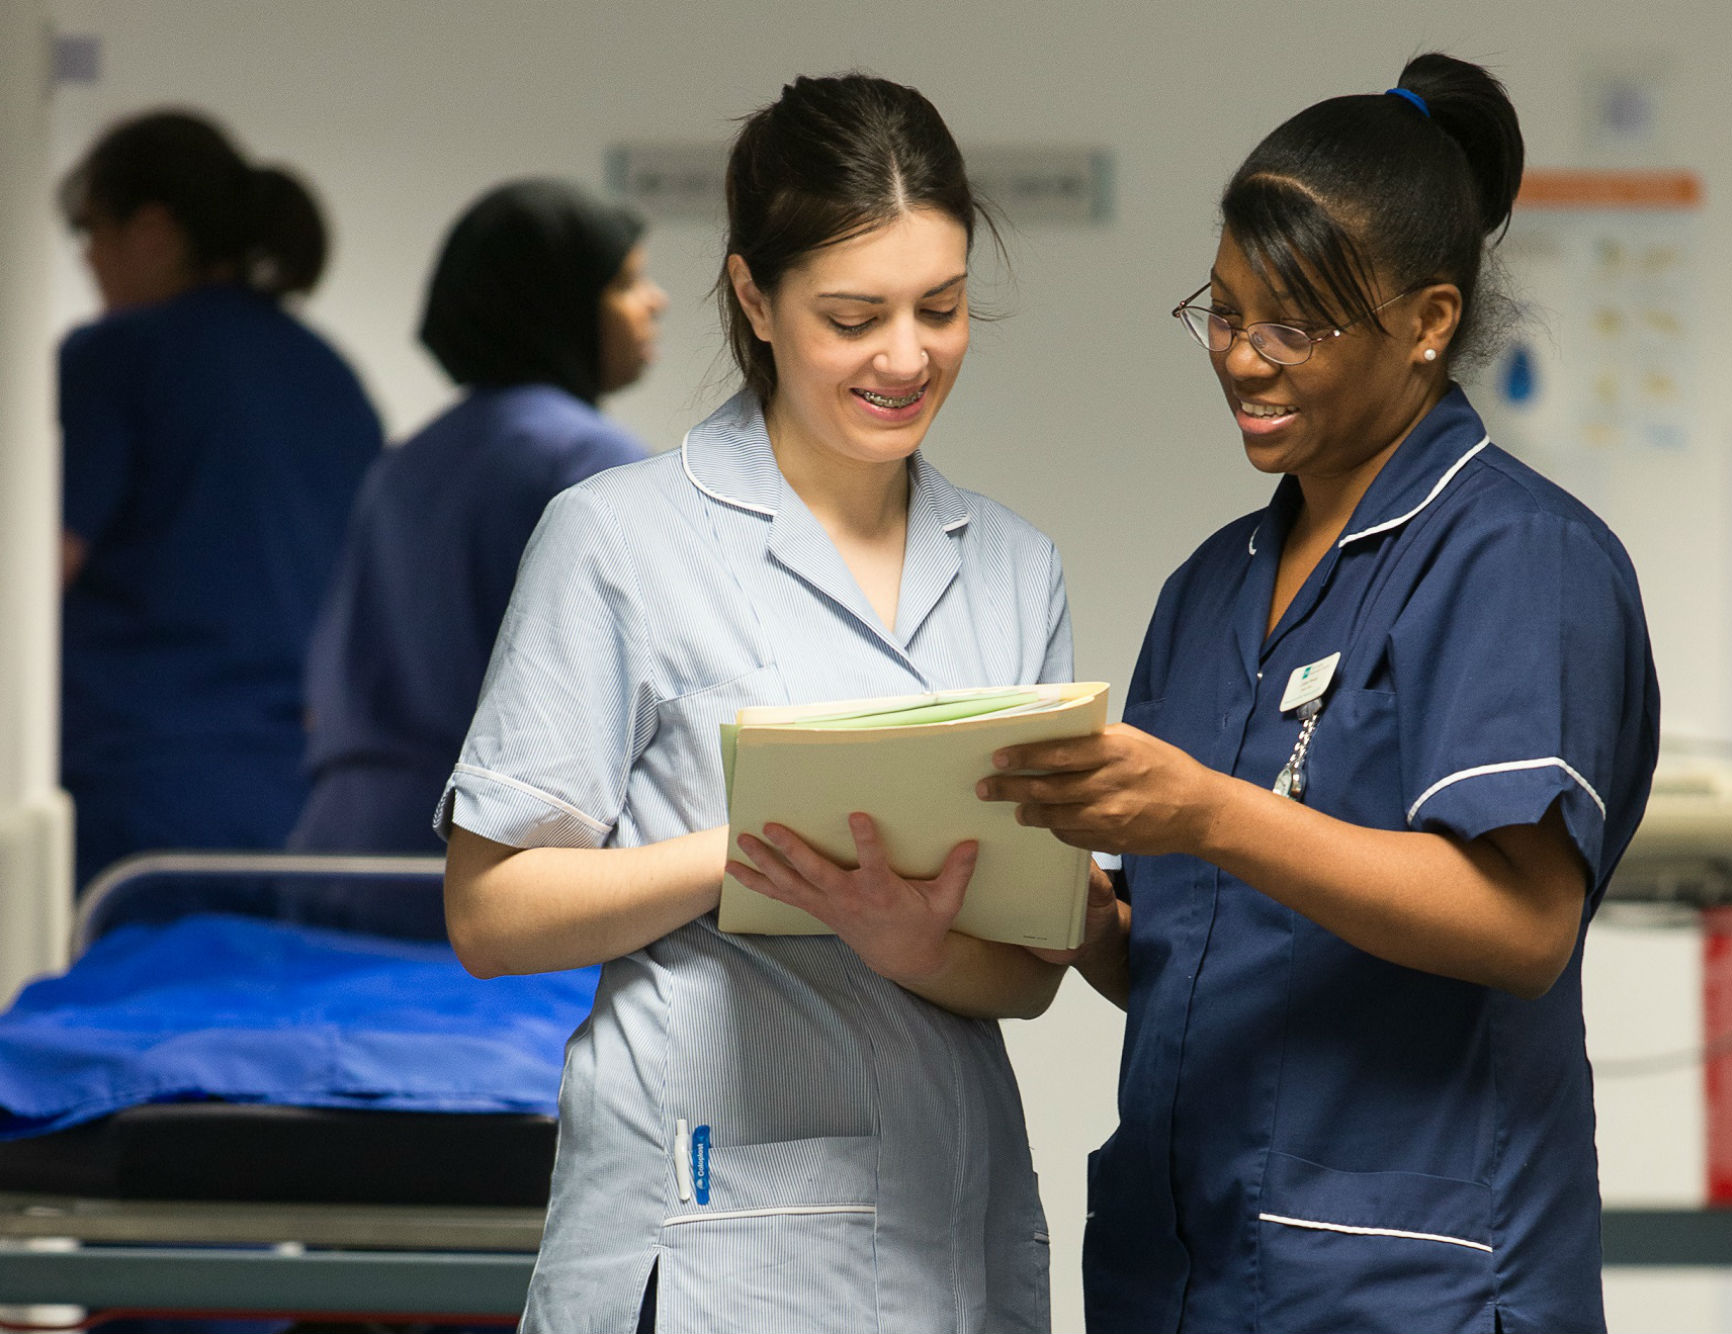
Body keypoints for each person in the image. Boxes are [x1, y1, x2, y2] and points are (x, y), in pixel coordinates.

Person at [979, 54, 1660, 1334]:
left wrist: (1202, 813)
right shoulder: (1211, 587)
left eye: (1293, 322)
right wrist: (1065, 911)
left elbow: (1518, 927)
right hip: (1182, 1270)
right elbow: (1198, 959)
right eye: (1222, 312)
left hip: (1414, 1283)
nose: (1243, 357)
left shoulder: (1513, 557)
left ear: (1426, 320)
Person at [439, 74, 1069, 1333]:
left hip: (950, 1230)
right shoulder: (618, 538)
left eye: (938, 308)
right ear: (752, 299)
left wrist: (912, 943)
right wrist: (745, 854)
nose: (906, 356)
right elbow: (492, 911)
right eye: (853, 315)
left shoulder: (1012, 565)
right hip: (707, 1228)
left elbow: (1031, 970)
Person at [288, 179, 662, 900]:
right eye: (625, 283)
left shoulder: (409, 461)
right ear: (557, 305)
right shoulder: (588, 461)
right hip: (482, 862)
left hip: (344, 852)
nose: (655, 302)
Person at [58, 110, 382, 888]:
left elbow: (42, 567)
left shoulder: (115, 359)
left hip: (137, 784)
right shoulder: (329, 377)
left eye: (92, 232)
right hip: (298, 792)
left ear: (154, 229)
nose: (88, 260)